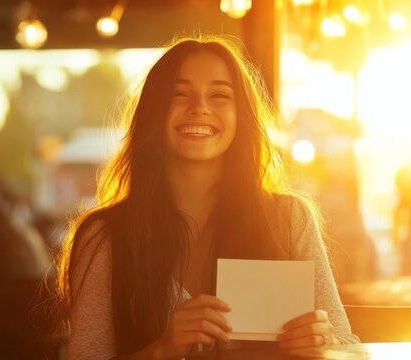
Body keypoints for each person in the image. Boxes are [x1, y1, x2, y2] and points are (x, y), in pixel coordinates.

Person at [47, 35, 357, 360]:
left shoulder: (289, 218)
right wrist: (162, 351)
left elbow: (348, 346)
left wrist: (325, 343)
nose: (199, 108)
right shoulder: (104, 236)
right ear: (154, 111)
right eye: (179, 94)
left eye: (220, 95)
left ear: (242, 117)